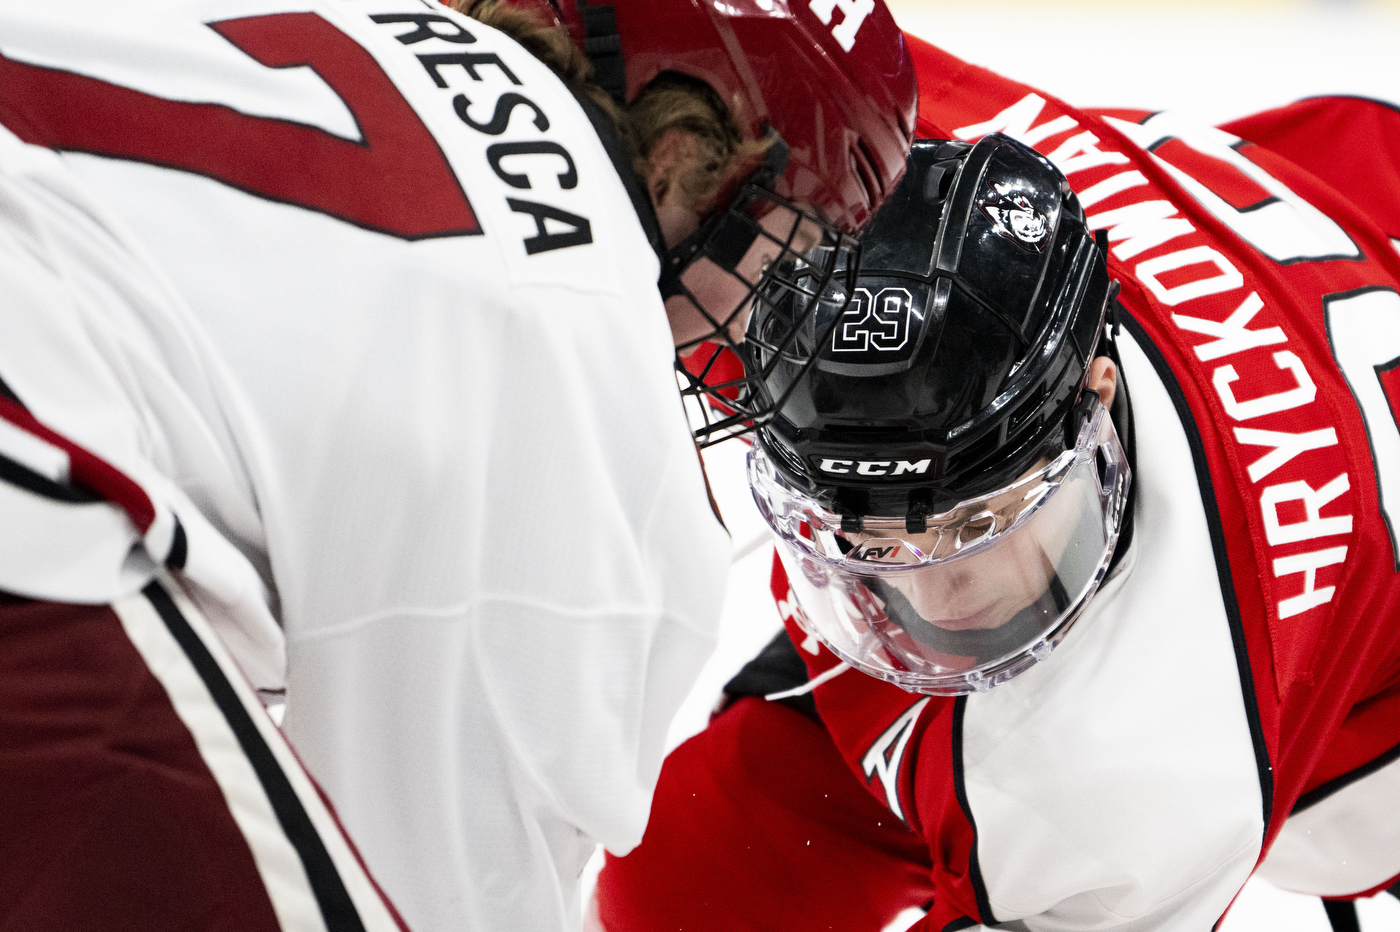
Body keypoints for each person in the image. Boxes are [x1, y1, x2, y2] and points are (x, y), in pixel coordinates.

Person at [0, 1, 916, 930]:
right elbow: (455, 889)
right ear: (683, 153)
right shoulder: (579, 344)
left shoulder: (358, 22)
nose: (767, 318)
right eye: (793, 249)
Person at [591, 34, 1400, 932]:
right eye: (861, 533)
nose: (931, 593)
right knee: (690, 879)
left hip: (1347, 701)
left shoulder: (1138, 771)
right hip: (1344, 186)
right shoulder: (838, 134)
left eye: (979, 518)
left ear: (1094, 404)